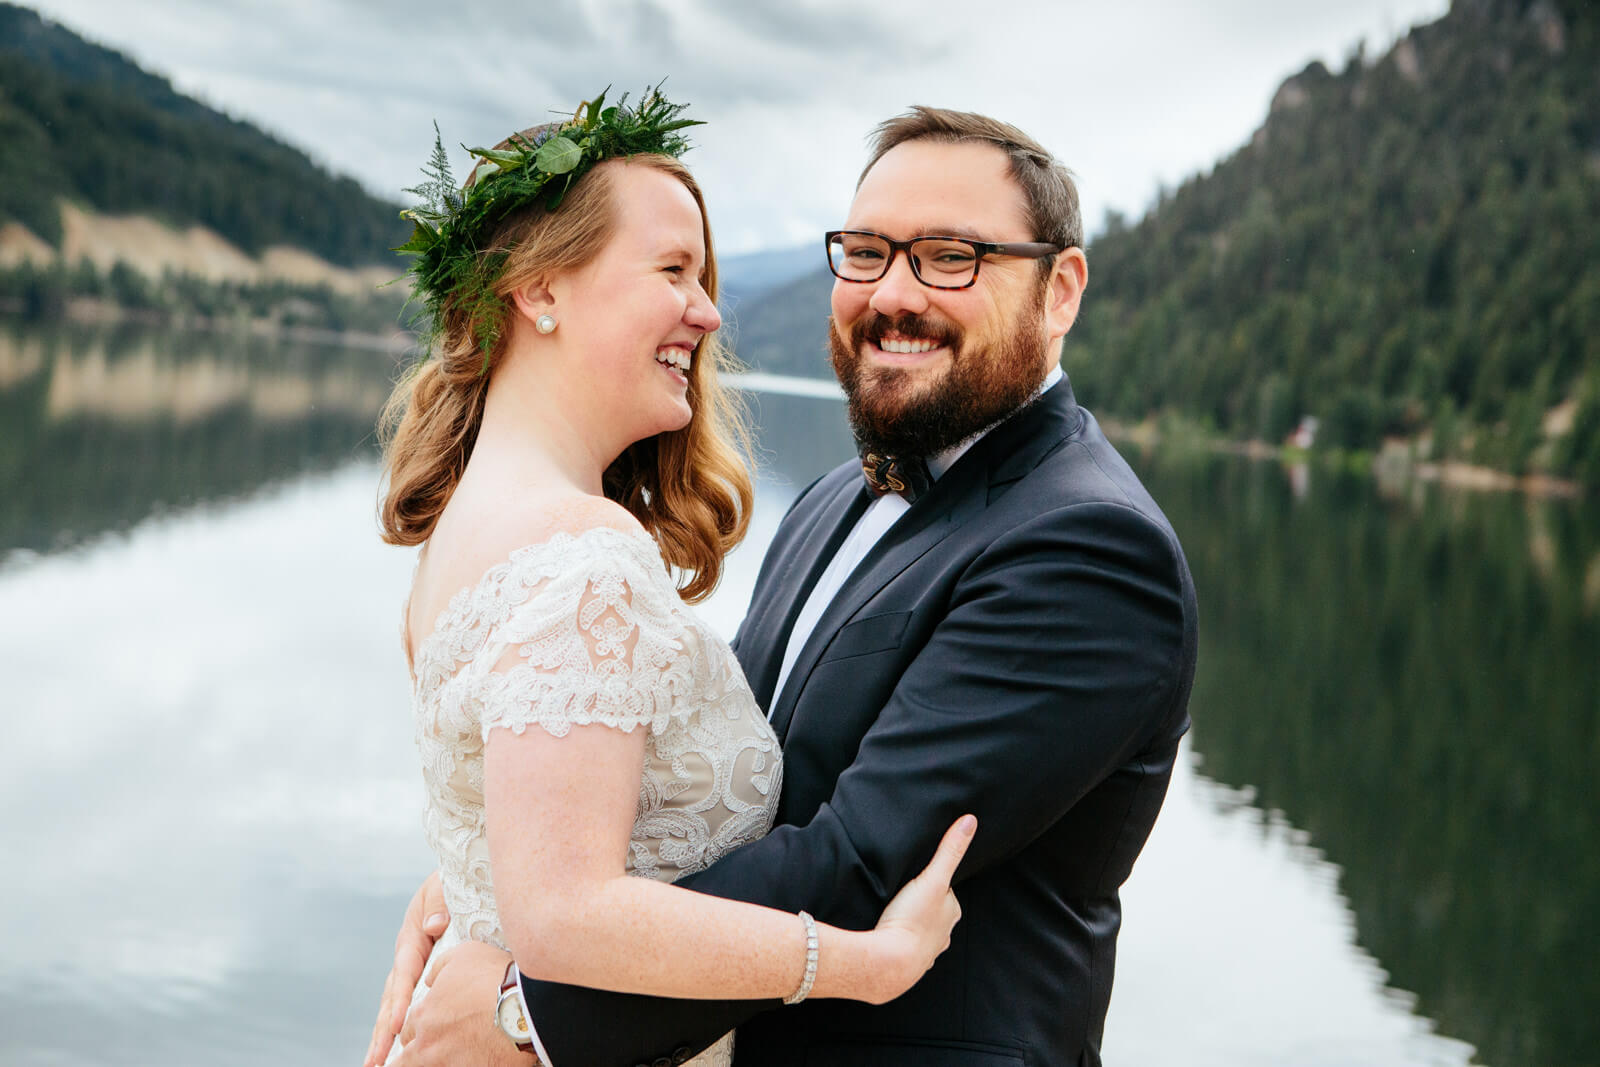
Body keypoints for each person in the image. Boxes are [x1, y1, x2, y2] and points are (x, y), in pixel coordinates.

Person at [371, 105, 1198, 1067]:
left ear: (1060, 290)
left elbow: (856, 861)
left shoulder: (1090, 551)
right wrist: (489, 878)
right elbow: (688, 790)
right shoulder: (830, 502)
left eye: (948, 256)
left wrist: (526, 1011)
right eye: (866, 252)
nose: (895, 293)